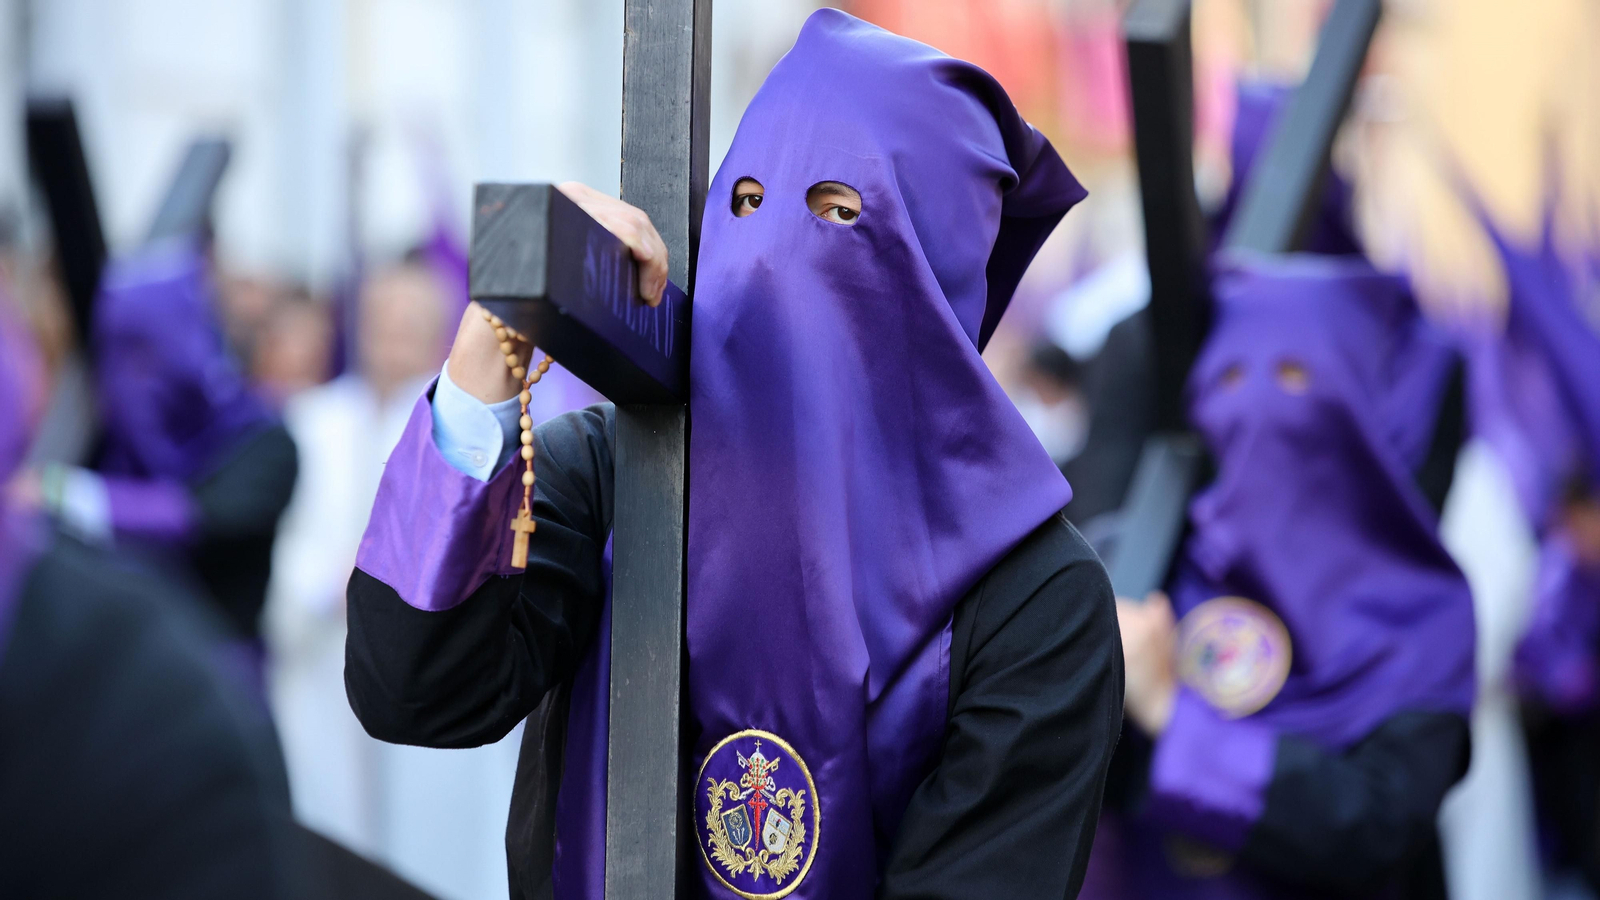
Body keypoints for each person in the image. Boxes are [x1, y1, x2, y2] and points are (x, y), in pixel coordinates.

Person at [345, 10, 1123, 900]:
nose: (770, 258)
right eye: (747, 203)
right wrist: (488, 358)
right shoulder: (614, 470)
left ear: (936, 263)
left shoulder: (1035, 595)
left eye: (839, 212)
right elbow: (411, 689)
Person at [1086, 258, 1476, 899]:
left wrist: (1176, 721)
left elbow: (1375, 825)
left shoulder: (1416, 608)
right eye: (1231, 377)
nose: (1257, 406)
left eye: (1297, 377)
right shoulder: (1149, 570)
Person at [267, 259, 522, 898]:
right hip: (325, 669)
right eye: (385, 322)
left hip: (423, 673)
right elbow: (280, 553)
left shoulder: (457, 431)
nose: (396, 338)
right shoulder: (313, 424)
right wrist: (334, 584)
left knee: (432, 853)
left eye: (412, 324)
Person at [26, 239, 298, 700]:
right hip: (115, 686)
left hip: (219, 687)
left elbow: (196, 518)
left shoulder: (264, 443)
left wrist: (60, 493)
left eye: (148, 349)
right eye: (119, 351)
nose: (132, 375)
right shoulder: (105, 441)